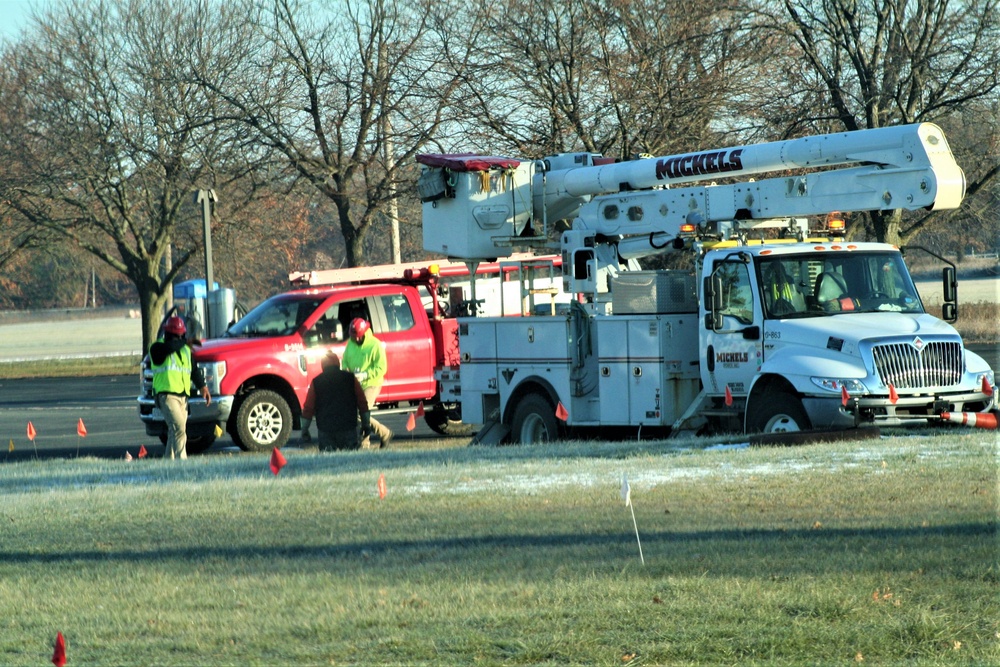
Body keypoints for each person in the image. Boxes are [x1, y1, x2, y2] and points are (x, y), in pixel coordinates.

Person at [149, 315, 211, 459]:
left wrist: (203, 387)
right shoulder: (157, 347)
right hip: (166, 395)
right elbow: (170, 347)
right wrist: (184, 342)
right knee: (179, 429)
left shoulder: (185, 350)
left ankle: (168, 462)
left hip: (183, 396)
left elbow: (194, 370)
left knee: (174, 431)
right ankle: (181, 463)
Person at [300, 351, 371, 451]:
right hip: (348, 427)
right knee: (350, 460)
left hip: (326, 429)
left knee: (328, 461)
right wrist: (366, 423)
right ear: (338, 363)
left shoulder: (316, 382)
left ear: (322, 365)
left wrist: (304, 429)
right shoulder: (350, 378)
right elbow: (362, 402)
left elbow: (308, 408)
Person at [342, 317, 394, 448]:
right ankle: (381, 435)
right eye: (354, 337)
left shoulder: (375, 345)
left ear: (364, 333)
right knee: (355, 415)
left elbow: (381, 368)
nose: (356, 339)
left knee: (362, 414)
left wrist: (365, 374)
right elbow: (345, 362)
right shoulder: (350, 343)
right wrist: (346, 372)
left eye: (358, 337)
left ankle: (368, 442)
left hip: (372, 383)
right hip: (356, 384)